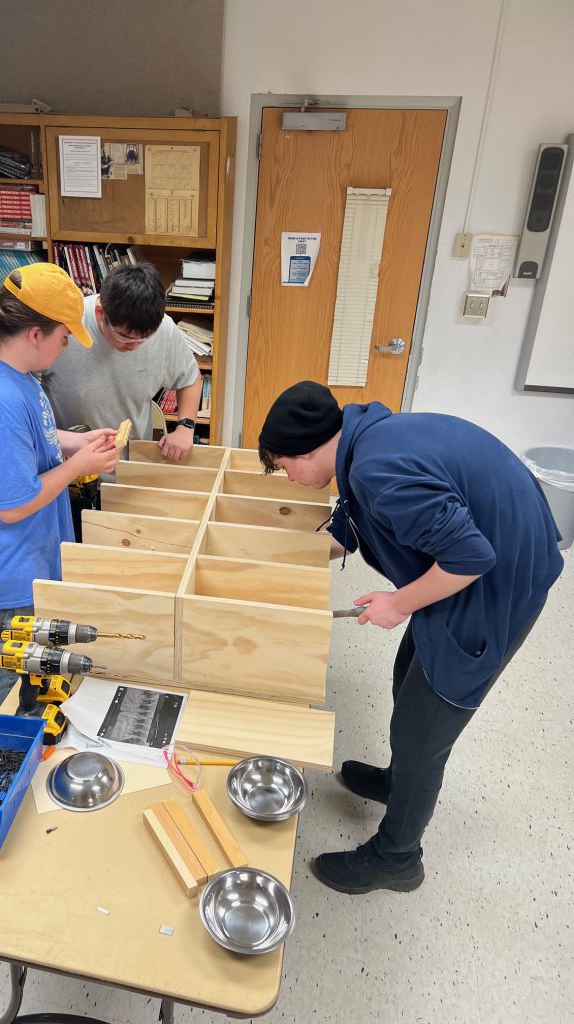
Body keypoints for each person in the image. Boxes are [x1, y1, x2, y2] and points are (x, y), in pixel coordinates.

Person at [258, 381, 563, 895]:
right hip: (484, 562)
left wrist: (398, 603)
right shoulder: (366, 438)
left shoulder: (377, 470)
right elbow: (364, 516)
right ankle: (396, 782)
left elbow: (470, 557)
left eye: (285, 466)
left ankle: (397, 857)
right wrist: (298, 555)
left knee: (427, 724)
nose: (288, 477)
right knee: (409, 675)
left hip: (497, 586)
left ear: (310, 450)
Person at [0, 264, 121, 714]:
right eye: (64, 337)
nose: (65, 348)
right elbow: (14, 506)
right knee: (7, 679)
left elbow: (33, 436)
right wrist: (79, 465)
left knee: (30, 666)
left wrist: (74, 441)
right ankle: (3, 750)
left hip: (21, 558)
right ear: (35, 333)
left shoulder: (17, 376)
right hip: (4, 569)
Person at [43, 263, 202, 538]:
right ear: (100, 312)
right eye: (126, 338)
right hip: (69, 478)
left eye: (144, 340)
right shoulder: (64, 326)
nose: (134, 348)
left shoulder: (163, 329)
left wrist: (186, 427)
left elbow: (190, 379)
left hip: (129, 474)